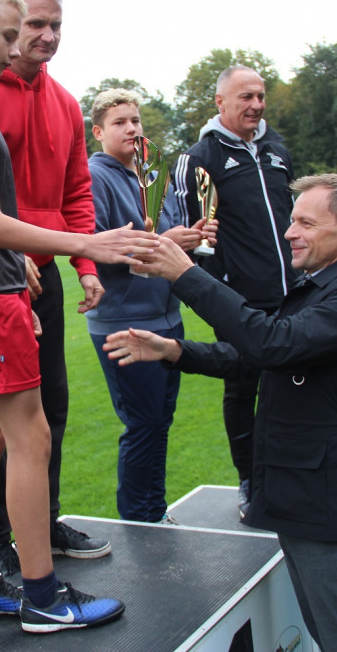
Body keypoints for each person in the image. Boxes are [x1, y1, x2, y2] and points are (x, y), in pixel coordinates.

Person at [0, 0, 155, 632]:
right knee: (31, 437)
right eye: (6, 36)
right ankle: (44, 596)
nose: (16, 48)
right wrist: (89, 244)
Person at [104, 174, 337, 651]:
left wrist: (185, 275)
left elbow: (272, 343)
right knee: (329, 635)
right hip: (301, 492)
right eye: (291, 219)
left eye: (304, 222)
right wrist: (175, 351)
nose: (289, 232)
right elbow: (263, 356)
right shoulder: (325, 285)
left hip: (326, 497)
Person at [0, 0, 113, 575]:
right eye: (35, 25)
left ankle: (39, 525)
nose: (46, 36)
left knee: (52, 415)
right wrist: (4, 252)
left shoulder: (67, 103)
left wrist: (87, 263)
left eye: (55, 26)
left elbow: (76, 191)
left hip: (42, 281)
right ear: (7, 24)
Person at [169, 65, 299, 518]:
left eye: (261, 96)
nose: (257, 105)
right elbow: (192, 240)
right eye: (246, 97)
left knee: (297, 387)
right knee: (242, 388)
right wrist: (221, 294)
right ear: (220, 102)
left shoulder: (276, 149)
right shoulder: (198, 159)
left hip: (294, 294)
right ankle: (250, 481)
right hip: (238, 300)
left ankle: (291, 474)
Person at [85, 89, 209, 523]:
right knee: (143, 424)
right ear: (98, 131)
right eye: (120, 122)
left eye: (136, 121)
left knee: (160, 422)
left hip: (166, 316)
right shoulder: (93, 178)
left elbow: (168, 235)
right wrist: (163, 245)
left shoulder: (152, 176)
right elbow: (94, 248)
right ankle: (140, 519)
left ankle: (153, 513)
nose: (132, 129)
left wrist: (190, 235)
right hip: (123, 319)